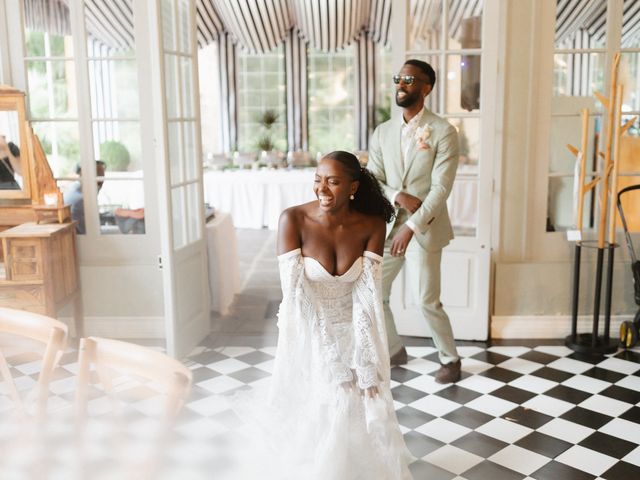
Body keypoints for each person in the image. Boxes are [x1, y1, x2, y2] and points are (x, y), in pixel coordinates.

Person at [229, 151, 411, 480]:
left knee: (361, 394)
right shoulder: (293, 220)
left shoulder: (372, 224)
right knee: (330, 395)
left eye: (333, 182)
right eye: (317, 180)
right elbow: (297, 296)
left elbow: (367, 295)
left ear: (353, 187)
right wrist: (333, 358)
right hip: (307, 328)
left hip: (355, 325)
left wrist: (366, 359)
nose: (322, 189)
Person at [368, 59, 462, 384]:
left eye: (409, 79)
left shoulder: (444, 132)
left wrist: (412, 225)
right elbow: (373, 179)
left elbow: (441, 189)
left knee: (426, 300)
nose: (401, 84)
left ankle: (451, 359)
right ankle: (395, 350)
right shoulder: (382, 133)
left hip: (424, 229)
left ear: (427, 87)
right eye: (399, 78)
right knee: (375, 292)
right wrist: (398, 196)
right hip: (390, 226)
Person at [64, 161, 106, 234]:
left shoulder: (74, 188)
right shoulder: (83, 198)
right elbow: (93, 231)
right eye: (101, 177)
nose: (102, 181)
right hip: (83, 238)